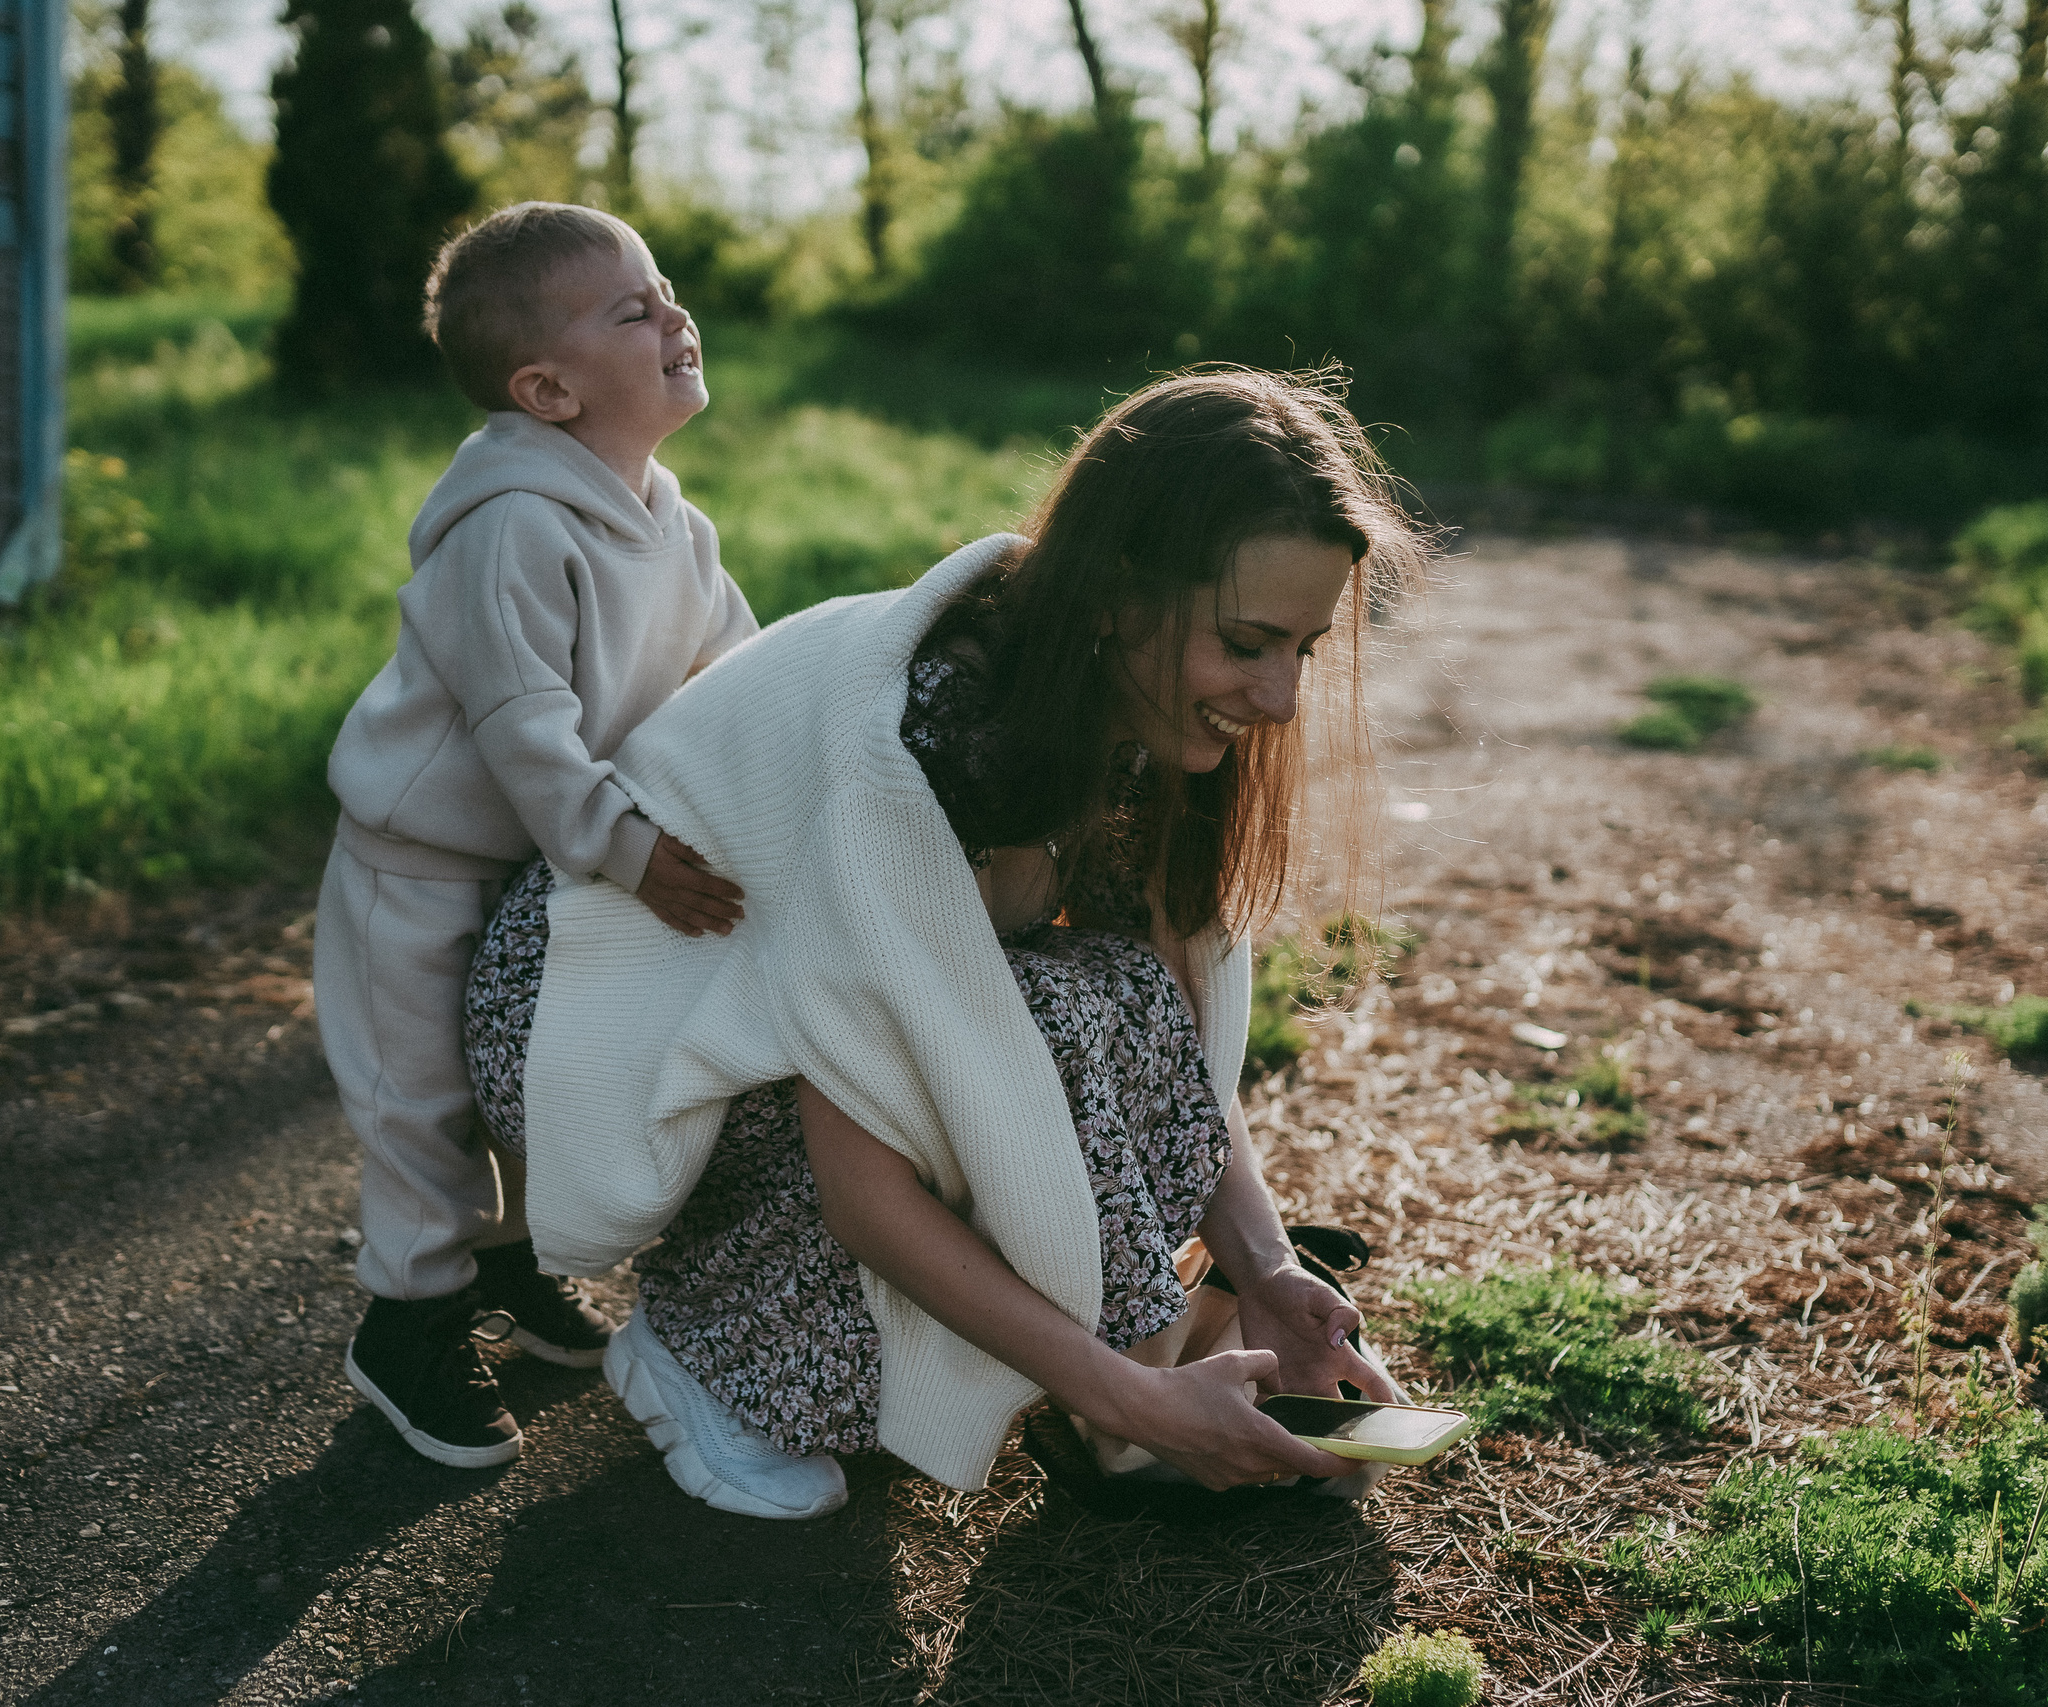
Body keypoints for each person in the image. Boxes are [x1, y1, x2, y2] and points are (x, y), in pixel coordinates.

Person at [466, 369, 1428, 1517]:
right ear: (1119, 596)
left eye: (1304, 651)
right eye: (1246, 643)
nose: (1278, 699)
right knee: (1024, 1035)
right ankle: (707, 1357)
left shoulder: (1133, 710)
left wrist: (1266, 1267)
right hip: (593, 1015)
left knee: (1102, 998)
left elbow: (1177, 1044)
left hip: (754, 1001)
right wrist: (1121, 1395)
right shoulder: (937, 738)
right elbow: (866, 1182)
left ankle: (1124, 1358)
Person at [315, 202, 760, 1470]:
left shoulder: (673, 522)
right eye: (635, 309)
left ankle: (502, 1270)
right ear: (548, 388)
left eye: (666, 289)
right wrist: (629, 852)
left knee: (527, 1080)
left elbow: (738, 673)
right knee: (422, 1103)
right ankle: (407, 1322)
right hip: (416, 867)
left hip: (535, 864)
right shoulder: (511, 525)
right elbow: (526, 730)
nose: (674, 314)